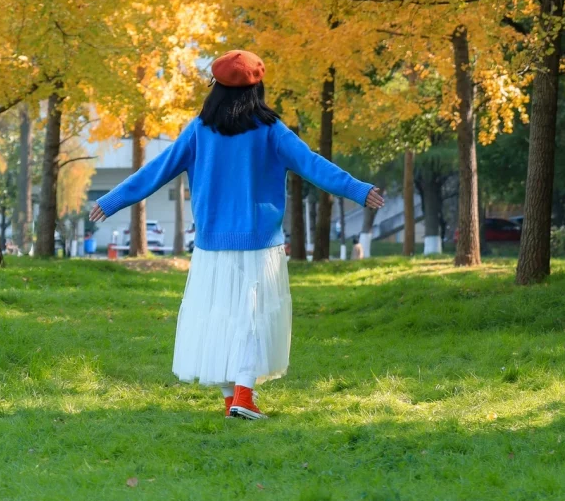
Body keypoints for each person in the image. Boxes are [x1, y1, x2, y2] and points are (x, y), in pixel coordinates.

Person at [89, 50, 384, 421]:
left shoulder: (199, 131)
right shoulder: (271, 131)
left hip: (212, 246)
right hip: (260, 245)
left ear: (215, 88)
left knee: (220, 316)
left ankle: (234, 399)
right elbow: (313, 164)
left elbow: (156, 171)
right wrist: (357, 189)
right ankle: (242, 395)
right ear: (257, 87)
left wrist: (113, 200)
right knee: (253, 316)